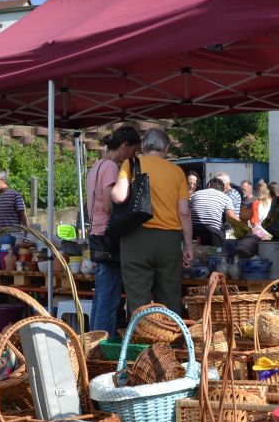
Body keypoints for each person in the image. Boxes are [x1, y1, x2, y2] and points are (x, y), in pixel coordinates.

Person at [112, 127, 191, 314]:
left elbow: (119, 196)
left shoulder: (131, 164)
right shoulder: (177, 171)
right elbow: (184, 212)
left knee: (139, 299)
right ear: (167, 148)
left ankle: (142, 339)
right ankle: (171, 340)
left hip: (136, 239)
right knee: (170, 297)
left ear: (144, 146)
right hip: (169, 241)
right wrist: (187, 246)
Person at [86, 124, 140, 337]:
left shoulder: (96, 166)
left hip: (96, 234)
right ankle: (102, 343)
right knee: (109, 298)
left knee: (100, 296)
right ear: (124, 146)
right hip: (108, 236)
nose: (132, 156)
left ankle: (92, 340)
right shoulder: (110, 167)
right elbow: (109, 205)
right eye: (133, 151)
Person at [190, 178, 237, 247]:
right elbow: (231, 217)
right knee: (214, 255)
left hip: (193, 231)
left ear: (208, 185)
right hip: (214, 232)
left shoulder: (195, 194)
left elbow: (186, 210)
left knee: (194, 255)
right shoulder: (226, 198)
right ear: (222, 189)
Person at [0, 169, 28, 247]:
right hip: (1, 238)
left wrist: (26, 237)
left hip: (13, 238)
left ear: (1, 180)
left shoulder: (14, 195)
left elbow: (23, 217)